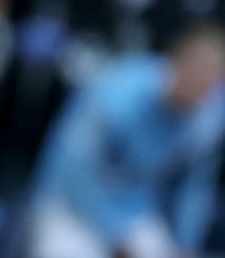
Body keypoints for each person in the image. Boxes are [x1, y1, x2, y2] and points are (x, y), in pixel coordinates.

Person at [27, 24, 225, 258]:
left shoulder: (208, 118)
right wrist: (114, 236)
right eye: (197, 71)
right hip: (69, 204)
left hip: (134, 209)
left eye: (211, 79)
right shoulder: (116, 91)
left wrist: (186, 241)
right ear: (174, 62)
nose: (200, 84)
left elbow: (195, 186)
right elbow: (75, 169)